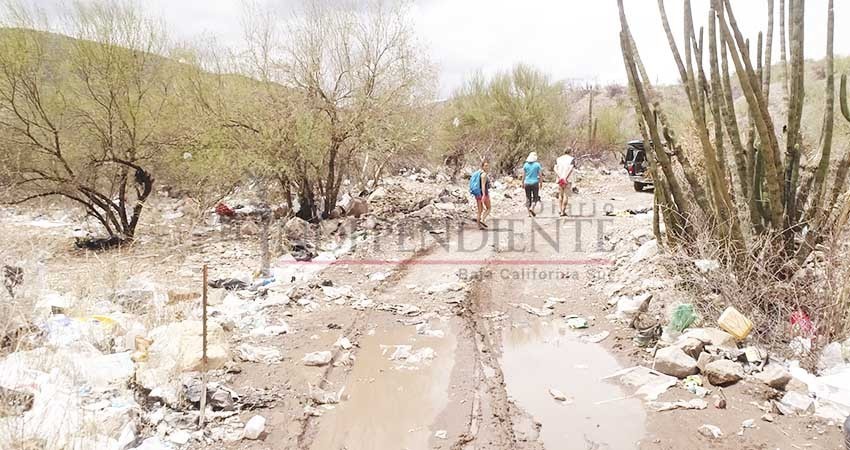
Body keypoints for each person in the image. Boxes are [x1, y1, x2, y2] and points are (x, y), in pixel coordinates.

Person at [470, 159, 491, 229]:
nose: (487, 167)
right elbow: (483, 185)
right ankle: (483, 219)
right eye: (485, 166)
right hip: (483, 194)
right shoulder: (484, 175)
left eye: (488, 165)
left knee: (480, 210)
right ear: (482, 166)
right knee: (489, 208)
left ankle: (479, 226)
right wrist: (484, 195)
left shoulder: (478, 173)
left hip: (478, 194)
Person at [554, 149, 576, 217]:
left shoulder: (558, 159)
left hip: (559, 179)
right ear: (570, 152)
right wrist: (565, 177)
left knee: (560, 195)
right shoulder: (572, 159)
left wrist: (560, 177)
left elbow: (555, 168)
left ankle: (560, 210)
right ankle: (563, 211)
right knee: (566, 195)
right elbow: (570, 169)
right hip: (567, 179)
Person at [522, 152, 542, 217]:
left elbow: (523, 175)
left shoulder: (525, 165)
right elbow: (540, 175)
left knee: (528, 198)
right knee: (535, 197)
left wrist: (522, 182)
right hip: (535, 182)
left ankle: (529, 213)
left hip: (527, 183)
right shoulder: (537, 165)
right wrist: (541, 183)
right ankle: (532, 208)